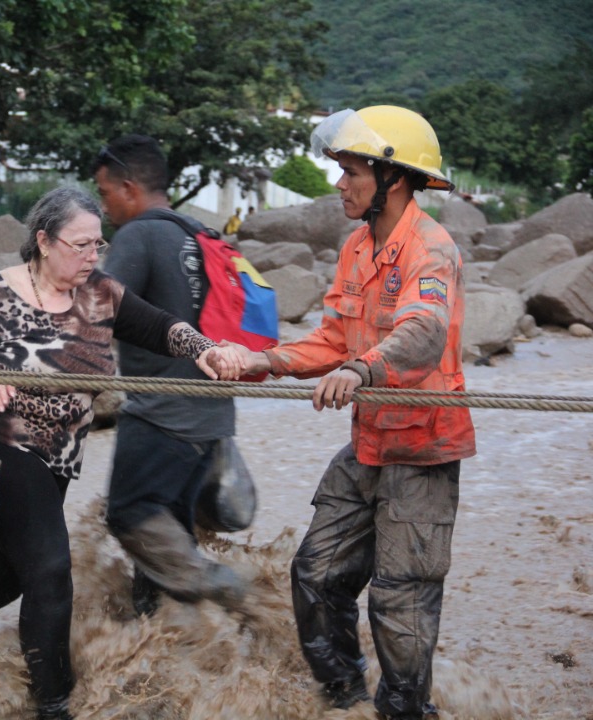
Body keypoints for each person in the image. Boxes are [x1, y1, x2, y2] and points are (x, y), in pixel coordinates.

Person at [0, 186, 242, 719]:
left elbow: (162, 327)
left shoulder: (101, 295)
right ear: (44, 241)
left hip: (61, 458)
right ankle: (54, 706)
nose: (92, 256)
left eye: (98, 244)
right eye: (81, 245)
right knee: (50, 571)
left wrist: (206, 349)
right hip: (3, 444)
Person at [224, 106, 476, 720]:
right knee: (316, 575)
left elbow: (423, 331)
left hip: (423, 446)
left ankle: (404, 712)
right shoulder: (359, 248)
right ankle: (343, 699)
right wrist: (266, 361)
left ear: (392, 177)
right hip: (369, 442)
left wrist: (360, 371)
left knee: (399, 599)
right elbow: (335, 338)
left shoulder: (431, 250)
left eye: (350, 172)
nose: (339, 185)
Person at [93, 135, 249, 617]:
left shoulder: (138, 236)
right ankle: (163, 651)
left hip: (160, 414)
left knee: (130, 515)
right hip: (212, 417)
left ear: (129, 187)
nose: (103, 206)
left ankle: (221, 586)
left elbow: (99, 311)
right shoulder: (203, 235)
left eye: (104, 193)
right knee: (167, 537)